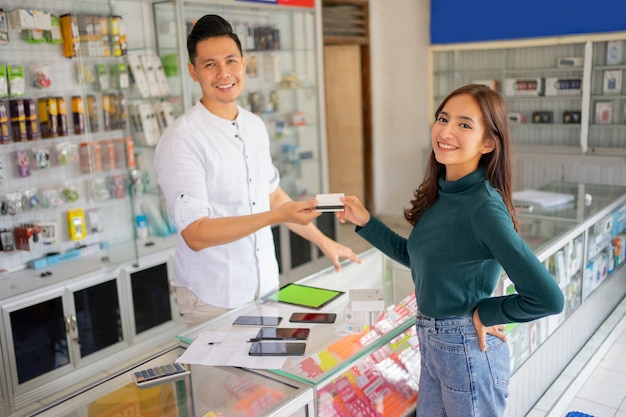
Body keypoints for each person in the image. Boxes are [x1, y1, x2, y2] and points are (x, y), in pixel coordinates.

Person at [337, 84, 564, 416]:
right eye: (443, 119)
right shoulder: (441, 191)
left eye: (464, 124)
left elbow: (547, 298)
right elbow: (421, 259)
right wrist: (367, 221)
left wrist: (487, 313)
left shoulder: (484, 208)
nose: (445, 131)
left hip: (466, 346)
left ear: (488, 143)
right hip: (433, 341)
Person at [155, 14, 361, 328]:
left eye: (231, 61)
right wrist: (276, 216)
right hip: (214, 296)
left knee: (266, 376)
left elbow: (273, 195)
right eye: (210, 64)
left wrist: (323, 241)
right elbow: (195, 234)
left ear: (244, 63)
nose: (224, 73)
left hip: (265, 284)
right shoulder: (182, 139)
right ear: (193, 72)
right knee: (223, 379)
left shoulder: (253, 125)